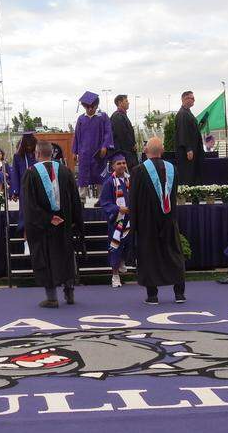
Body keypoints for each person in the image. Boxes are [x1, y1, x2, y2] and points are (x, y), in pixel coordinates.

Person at [21, 141, 84, 307]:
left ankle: (51, 297)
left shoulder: (31, 173)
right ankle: (69, 293)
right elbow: (75, 200)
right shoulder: (65, 171)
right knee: (66, 255)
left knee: (46, 257)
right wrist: (76, 222)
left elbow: (29, 205)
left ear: (37, 153)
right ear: (52, 153)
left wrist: (47, 218)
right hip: (64, 224)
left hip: (44, 228)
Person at [129, 137, 185, 304]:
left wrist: (135, 226)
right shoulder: (173, 169)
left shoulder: (138, 171)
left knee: (149, 256)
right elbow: (172, 194)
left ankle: (152, 295)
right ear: (162, 151)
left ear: (146, 151)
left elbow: (134, 200)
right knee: (173, 253)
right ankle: (179, 293)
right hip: (169, 219)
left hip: (147, 222)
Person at [97, 152, 134, 288]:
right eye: (119, 163)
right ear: (113, 166)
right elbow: (105, 202)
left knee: (129, 244)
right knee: (115, 246)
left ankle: (123, 261)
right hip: (117, 220)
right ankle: (115, 276)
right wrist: (118, 209)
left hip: (130, 219)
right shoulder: (109, 182)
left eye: (124, 163)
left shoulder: (130, 179)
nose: (122, 165)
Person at [71, 91, 114, 198]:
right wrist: (74, 151)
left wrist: (105, 146)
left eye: (93, 106)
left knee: (100, 175)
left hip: (98, 153)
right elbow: (76, 136)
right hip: (84, 153)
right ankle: (82, 199)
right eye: (87, 107)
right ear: (84, 106)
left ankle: (102, 198)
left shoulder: (103, 117)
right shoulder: (81, 119)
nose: (90, 109)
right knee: (83, 176)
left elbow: (108, 132)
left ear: (96, 105)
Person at [174, 90, 204, 186]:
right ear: (185, 99)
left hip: (193, 150)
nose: (194, 100)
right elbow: (183, 132)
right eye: (192, 98)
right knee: (188, 177)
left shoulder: (187, 112)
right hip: (186, 153)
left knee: (193, 176)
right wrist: (188, 149)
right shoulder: (182, 114)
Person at [110, 95, 138, 169]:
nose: (128, 103)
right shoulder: (117, 116)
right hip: (123, 154)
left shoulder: (122, 115)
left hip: (127, 152)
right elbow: (122, 135)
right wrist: (132, 145)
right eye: (126, 101)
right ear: (120, 103)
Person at [10, 130, 39, 201]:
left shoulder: (38, 155)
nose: (29, 147)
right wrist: (15, 191)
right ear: (23, 144)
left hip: (37, 187)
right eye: (27, 145)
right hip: (24, 187)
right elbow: (15, 174)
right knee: (24, 209)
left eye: (31, 145)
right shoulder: (18, 156)